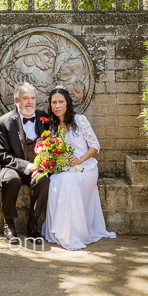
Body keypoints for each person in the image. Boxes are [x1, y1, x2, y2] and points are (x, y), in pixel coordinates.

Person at [40, 86, 116, 250]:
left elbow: (96, 145)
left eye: (61, 102)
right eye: (54, 102)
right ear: (50, 105)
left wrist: (80, 159)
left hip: (86, 167)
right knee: (54, 180)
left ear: (67, 103)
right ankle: (59, 232)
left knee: (68, 181)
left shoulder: (80, 120)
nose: (57, 105)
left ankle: (73, 234)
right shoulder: (52, 126)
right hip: (66, 167)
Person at [0, 82, 50, 241]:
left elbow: (50, 143)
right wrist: (26, 166)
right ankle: (9, 225)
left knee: (43, 180)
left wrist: (43, 163)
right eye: (25, 98)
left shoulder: (43, 118)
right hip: (12, 167)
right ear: (16, 101)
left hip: (37, 167)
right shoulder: (3, 123)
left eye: (32, 98)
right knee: (10, 181)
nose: (30, 102)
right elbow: (0, 154)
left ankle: (33, 225)